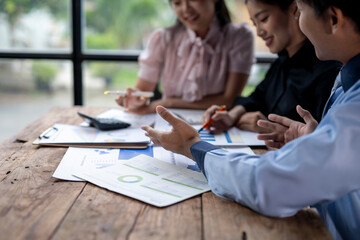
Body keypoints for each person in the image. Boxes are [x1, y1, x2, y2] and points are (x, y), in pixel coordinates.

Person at [141, 0, 360, 238]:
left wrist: (193, 147)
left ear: (334, 19)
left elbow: (269, 183)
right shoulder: (341, 81)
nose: (301, 24)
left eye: (302, 11)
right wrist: (317, 141)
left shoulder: (347, 97)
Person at [202, 0, 341, 134]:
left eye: (263, 19)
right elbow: (257, 96)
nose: (259, 32)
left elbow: (324, 137)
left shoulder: (329, 69)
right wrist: (231, 115)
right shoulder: (282, 62)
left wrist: (273, 129)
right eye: (255, 24)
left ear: (295, 9)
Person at [115, 0, 254, 114]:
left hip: (216, 123)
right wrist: (133, 99)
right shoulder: (162, 39)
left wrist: (168, 103)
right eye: (177, 3)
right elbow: (142, 92)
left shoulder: (240, 37)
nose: (186, 9)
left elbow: (229, 100)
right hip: (167, 123)